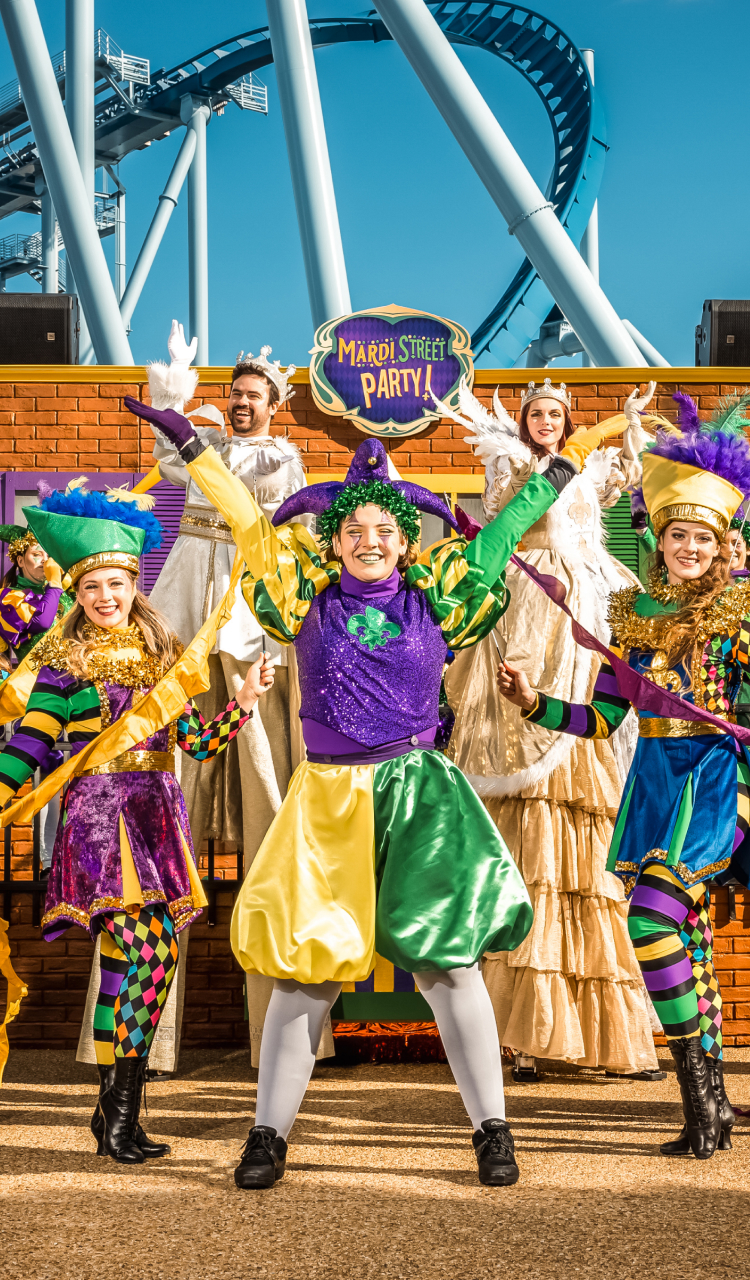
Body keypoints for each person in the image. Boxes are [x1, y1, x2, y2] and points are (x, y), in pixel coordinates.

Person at [123, 388, 628, 1189]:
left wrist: (565, 460)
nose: (368, 540)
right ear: (334, 540)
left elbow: (501, 529)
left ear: (404, 540)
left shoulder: (440, 597)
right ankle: (267, 1135)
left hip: (418, 792)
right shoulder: (303, 596)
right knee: (305, 974)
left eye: (384, 530)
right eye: (353, 530)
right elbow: (243, 516)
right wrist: (187, 440)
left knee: (448, 967)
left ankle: (493, 1131)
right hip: (329, 798)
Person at [496, 391, 750, 1159]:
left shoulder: (742, 609)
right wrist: (537, 702)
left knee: (650, 919)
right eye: (677, 534)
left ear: (721, 541)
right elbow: (600, 719)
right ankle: (711, 1106)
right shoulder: (636, 617)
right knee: (687, 939)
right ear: (659, 541)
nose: (687, 546)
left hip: (717, 774)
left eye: (700, 536)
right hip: (654, 777)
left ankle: (701, 1101)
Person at [0, 477, 274, 1163]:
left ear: (133, 586)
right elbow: (29, 747)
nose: (104, 598)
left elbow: (198, 745)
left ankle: (110, 1115)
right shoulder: (62, 669)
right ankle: (119, 1111)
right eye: (92, 588)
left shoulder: (162, 662)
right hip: (99, 825)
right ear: (80, 593)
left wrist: (241, 701)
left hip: (156, 818)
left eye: (116, 585)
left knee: (126, 965)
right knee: (155, 954)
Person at [436, 378, 662, 1080]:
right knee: (525, 814)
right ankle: (514, 1032)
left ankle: (590, 1034)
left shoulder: (584, 467)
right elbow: (507, 519)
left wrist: (627, 433)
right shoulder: (511, 462)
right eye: (536, 413)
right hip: (534, 608)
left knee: (586, 811)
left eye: (555, 415)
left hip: (586, 612)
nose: (543, 422)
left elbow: (631, 479)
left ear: (567, 422)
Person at [142, 322, 321, 1070]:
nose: (243, 404)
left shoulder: (280, 457)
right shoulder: (206, 442)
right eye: (236, 395)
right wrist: (173, 397)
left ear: (274, 406)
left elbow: (290, 521)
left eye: (254, 396)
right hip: (189, 599)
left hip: (249, 615)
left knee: (266, 787)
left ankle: (277, 1043)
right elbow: (166, 459)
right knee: (163, 772)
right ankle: (144, 1044)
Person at [0, 522, 75, 872]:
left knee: (68, 771)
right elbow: (44, 622)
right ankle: (46, 859)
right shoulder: (11, 598)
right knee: (44, 771)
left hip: (72, 689)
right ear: (19, 559)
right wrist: (57, 583)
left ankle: (61, 854)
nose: (44, 559)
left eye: (46, 553)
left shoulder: (60, 590)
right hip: (34, 694)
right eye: (35, 553)